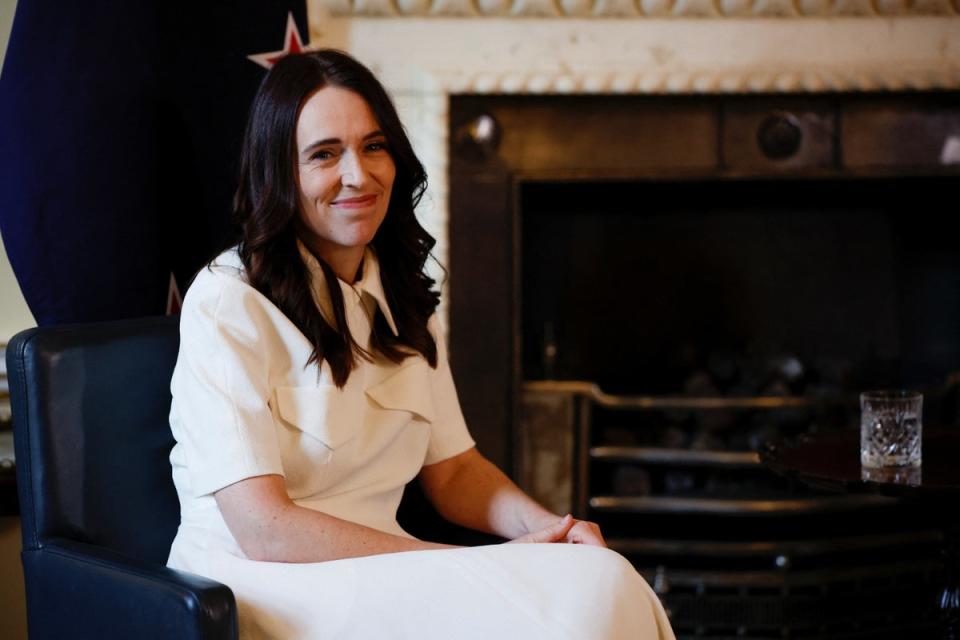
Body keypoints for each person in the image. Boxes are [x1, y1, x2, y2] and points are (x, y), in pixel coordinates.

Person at [166, 48, 675, 640]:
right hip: (262, 583)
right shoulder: (228, 300)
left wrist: (551, 529)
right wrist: (464, 563)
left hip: (389, 569)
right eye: (325, 154)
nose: (358, 174)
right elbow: (265, 529)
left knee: (603, 576)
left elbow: (455, 471)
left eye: (374, 146)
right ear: (280, 174)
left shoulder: (402, 294)